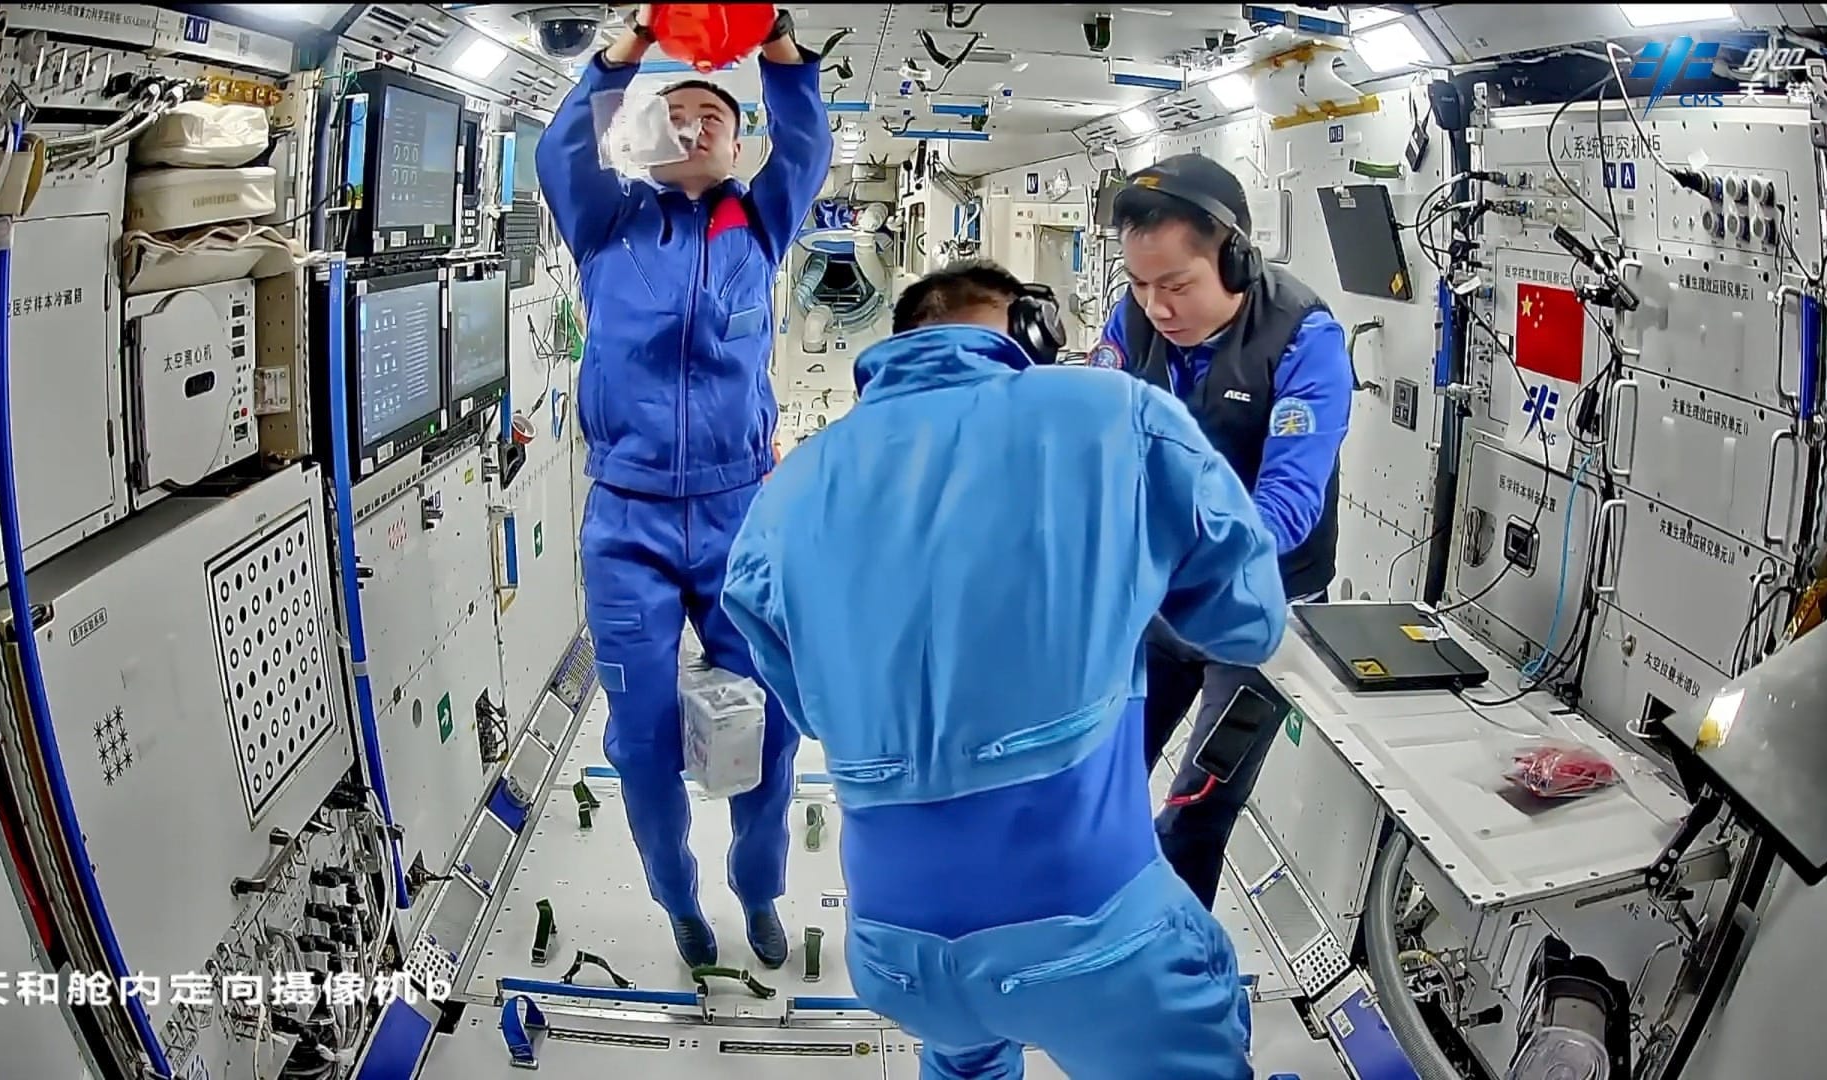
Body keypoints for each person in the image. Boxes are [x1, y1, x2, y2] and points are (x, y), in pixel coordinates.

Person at [720, 260, 1286, 1080]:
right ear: (1032, 333)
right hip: (1091, 937)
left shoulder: (790, 491)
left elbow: (809, 705)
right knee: (1194, 984)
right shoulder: (1120, 415)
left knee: (964, 1048)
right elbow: (1249, 622)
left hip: (895, 954)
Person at [538, 5, 832, 970]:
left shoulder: (761, 222)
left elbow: (807, 141)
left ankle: (758, 889)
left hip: (739, 510)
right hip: (627, 522)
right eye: (677, 116)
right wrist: (631, 39)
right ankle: (678, 902)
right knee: (641, 741)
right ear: (647, 138)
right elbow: (560, 149)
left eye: (716, 117)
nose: (697, 126)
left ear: (739, 146)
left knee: (769, 724)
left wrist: (777, 37)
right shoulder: (607, 222)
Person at [1090, 152, 1354, 909]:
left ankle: (1173, 964)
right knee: (1097, 776)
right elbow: (1095, 439)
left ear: (1234, 259)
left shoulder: (1302, 338)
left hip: (1261, 613)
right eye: (1140, 285)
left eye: (1177, 286)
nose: (1157, 307)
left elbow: (1288, 505)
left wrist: (1183, 558)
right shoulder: (1132, 321)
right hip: (1156, 605)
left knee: (1198, 810)